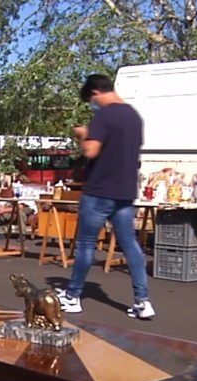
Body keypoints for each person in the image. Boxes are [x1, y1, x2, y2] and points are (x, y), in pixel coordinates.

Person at [57, 74, 155, 320]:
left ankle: (72, 296)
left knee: (86, 244)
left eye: (91, 100)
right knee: (130, 244)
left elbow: (91, 151)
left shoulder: (104, 115)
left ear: (94, 93)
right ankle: (142, 300)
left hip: (99, 190)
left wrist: (82, 134)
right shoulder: (134, 116)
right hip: (125, 191)